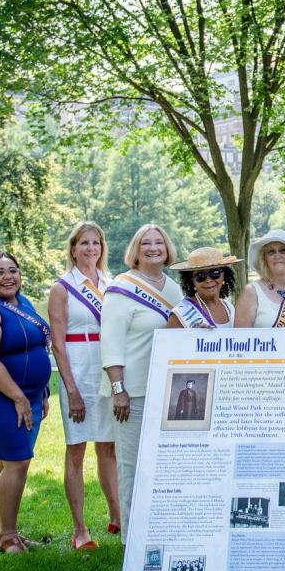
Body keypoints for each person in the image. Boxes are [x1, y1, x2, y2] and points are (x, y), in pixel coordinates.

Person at [100, 224, 182, 542]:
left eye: (158, 242)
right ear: (135, 250)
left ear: (167, 248)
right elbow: (111, 344)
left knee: (163, 464)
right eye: (145, 243)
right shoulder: (121, 288)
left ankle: (159, 530)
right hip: (131, 393)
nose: (153, 248)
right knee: (132, 466)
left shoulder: (173, 288)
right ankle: (131, 537)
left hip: (167, 391)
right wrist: (119, 390)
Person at [48, 221, 120, 550]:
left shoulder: (112, 283)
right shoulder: (62, 287)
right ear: (73, 248)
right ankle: (80, 530)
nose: (91, 249)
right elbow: (58, 344)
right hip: (77, 366)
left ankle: (117, 515)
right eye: (84, 243)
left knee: (108, 446)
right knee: (77, 449)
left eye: (96, 243)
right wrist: (72, 391)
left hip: (106, 365)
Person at [0, 252, 52, 554]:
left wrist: (40, 392)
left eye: (12, 270)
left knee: (6, 464)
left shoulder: (23, 302)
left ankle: (6, 532)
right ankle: (7, 537)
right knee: (17, 462)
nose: (7, 277)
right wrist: (18, 397)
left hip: (29, 397)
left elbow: (35, 347)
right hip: (4, 397)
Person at [234, 230, 285, 328]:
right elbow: (240, 339)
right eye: (271, 252)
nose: (277, 256)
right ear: (264, 259)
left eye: (283, 251)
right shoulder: (252, 292)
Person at [167, 247, 240, 329]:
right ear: (191, 280)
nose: (208, 280)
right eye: (200, 276)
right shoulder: (179, 315)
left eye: (215, 273)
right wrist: (195, 336)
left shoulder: (229, 307)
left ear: (224, 275)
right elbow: (169, 341)